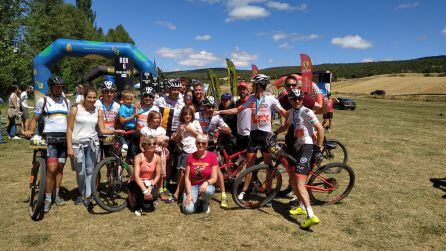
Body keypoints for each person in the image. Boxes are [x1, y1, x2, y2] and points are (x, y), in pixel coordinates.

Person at [215, 74, 287, 202]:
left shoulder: (271, 99)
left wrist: (295, 116)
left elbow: (284, 113)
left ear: (259, 86)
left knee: (268, 165)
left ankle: (268, 191)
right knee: (249, 164)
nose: (252, 86)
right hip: (254, 137)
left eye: (254, 84)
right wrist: (219, 112)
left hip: (266, 137)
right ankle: (244, 190)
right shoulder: (251, 99)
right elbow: (237, 109)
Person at [67, 86, 124, 208]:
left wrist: (115, 131)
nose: (92, 100)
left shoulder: (98, 110)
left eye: (94, 97)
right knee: (80, 172)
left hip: (93, 143)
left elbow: (102, 129)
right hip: (78, 144)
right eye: (89, 97)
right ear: (84, 97)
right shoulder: (75, 109)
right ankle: (82, 192)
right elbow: (69, 129)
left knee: (90, 170)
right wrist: (69, 147)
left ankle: (88, 195)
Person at [275, 89, 324, 229]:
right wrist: (275, 132)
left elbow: (320, 129)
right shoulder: (291, 112)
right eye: (294, 99)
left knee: (299, 180)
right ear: (290, 100)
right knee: (291, 178)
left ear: (302, 99)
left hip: (308, 147)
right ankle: (302, 206)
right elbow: (287, 125)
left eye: (300, 99)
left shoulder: (307, 112)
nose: (297, 101)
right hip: (297, 147)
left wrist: (318, 149)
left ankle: (311, 215)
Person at [24, 75, 70, 213]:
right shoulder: (43, 101)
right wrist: (30, 131)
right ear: (51, 87)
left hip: (64, 139)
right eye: (56, 87)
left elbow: (71, 121)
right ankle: (48, 198)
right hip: (50, 139)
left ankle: (56, 195)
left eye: (61, 87)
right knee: (51, 168)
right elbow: (35, 119)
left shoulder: (67, 101)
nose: (59, 89)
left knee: (60, 168)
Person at [197, 96, 231, 208]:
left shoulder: (216, 117)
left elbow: (228, 130)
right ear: (203, 106)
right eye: (208, 107)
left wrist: (219, 128)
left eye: (212, 107)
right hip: (198, 145)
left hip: (211, 145)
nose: (211, 109)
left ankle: (223, 195)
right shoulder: (197, 116)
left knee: (216, 169)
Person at [154, 79, 185, 199]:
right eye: (173, 89)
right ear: (169, 89)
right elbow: (149, 105)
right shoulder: (161, 100)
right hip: (163, 132)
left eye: (178, 89)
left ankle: (170, 182)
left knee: (175, 159)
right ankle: (162, 185)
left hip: (176, 133)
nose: (176, 91)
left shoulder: (182, 101)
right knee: (164, 159)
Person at [171, 106, 202, 203]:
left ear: (192, 115)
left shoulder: (195, 123)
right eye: (185, 114)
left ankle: (178, 193)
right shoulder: (180, 124)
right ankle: (182, 192)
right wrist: (179, 131)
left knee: (187, 172)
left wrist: (190, 130)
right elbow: (176, 140)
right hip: (184, 150)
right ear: (182, 115)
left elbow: (201, 136)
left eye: (189, 114)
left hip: (193, 150)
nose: (187, 116)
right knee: (182, 172)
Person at [182, 134, 218, 214]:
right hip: (193, 186)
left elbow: (214, 178)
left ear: (207, 144)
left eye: (203, 143)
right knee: (188, 210)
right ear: (195, 143)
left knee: (208, 191)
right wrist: (188, 193)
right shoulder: (190, 157)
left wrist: (206, 183)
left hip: (206, 186)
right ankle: (195, 200)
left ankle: (205, 201)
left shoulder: (212, 156)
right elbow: (187, 178)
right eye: (198, 143)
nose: (200, 145)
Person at [140, 110, 169, 201]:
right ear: (149, 119)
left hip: (159, 155)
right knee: (148, 173)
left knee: (159, 173)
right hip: (148, 155)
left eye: (158, 118)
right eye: (155, 118)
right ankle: (148, 190)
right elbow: (141, 144)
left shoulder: (161, 130)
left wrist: (164, 144)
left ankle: (160, 190)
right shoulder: (145, 130)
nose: (157, 120)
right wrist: (144, 155)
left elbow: (166, 144)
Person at [129, 136, 162, 215]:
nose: (152, 145)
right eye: (149, 144)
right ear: (144, 146)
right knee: (135, 206)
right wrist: (145, 191)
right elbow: (136, 176)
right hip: (137, 182)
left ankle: (142, 200)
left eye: (154, 144)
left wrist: (150, 188)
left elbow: (158, 175)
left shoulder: (158, 158)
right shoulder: (138, 157)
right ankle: (132, 194)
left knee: (149, 205)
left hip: (149, 183)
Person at [96, 81, 121, 160]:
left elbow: (117, 122)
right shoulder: (96, 103)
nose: (109, 94)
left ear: (114, 93)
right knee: (97, 160)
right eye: (106, 91)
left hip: (110, 136)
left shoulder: (117, 106)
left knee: (109, 160)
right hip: (97, 135)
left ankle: (109, 172)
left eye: (111, 92)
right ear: (102, 92)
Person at [118, 89, 140, 160]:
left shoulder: (131, 106)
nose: (129, 101)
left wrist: (136, 107)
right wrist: (133, 116)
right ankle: (123, 160)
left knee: (132, 146)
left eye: (131, 99)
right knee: (126, 146)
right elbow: (122, 121)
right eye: (127, 99)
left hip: (133, 129)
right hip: (126, 128)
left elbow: (137, 113)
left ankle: (129, 159)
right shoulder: (123, 108)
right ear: (123, 99)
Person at [234, 82, 251, 152]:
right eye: (240, 89)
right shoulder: (236, 103)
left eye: (243, 89)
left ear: (247, 90)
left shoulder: (252, 101)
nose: (242, 91)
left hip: (250, 134)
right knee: (241, 156)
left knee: (250, 157)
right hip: (240, 134)